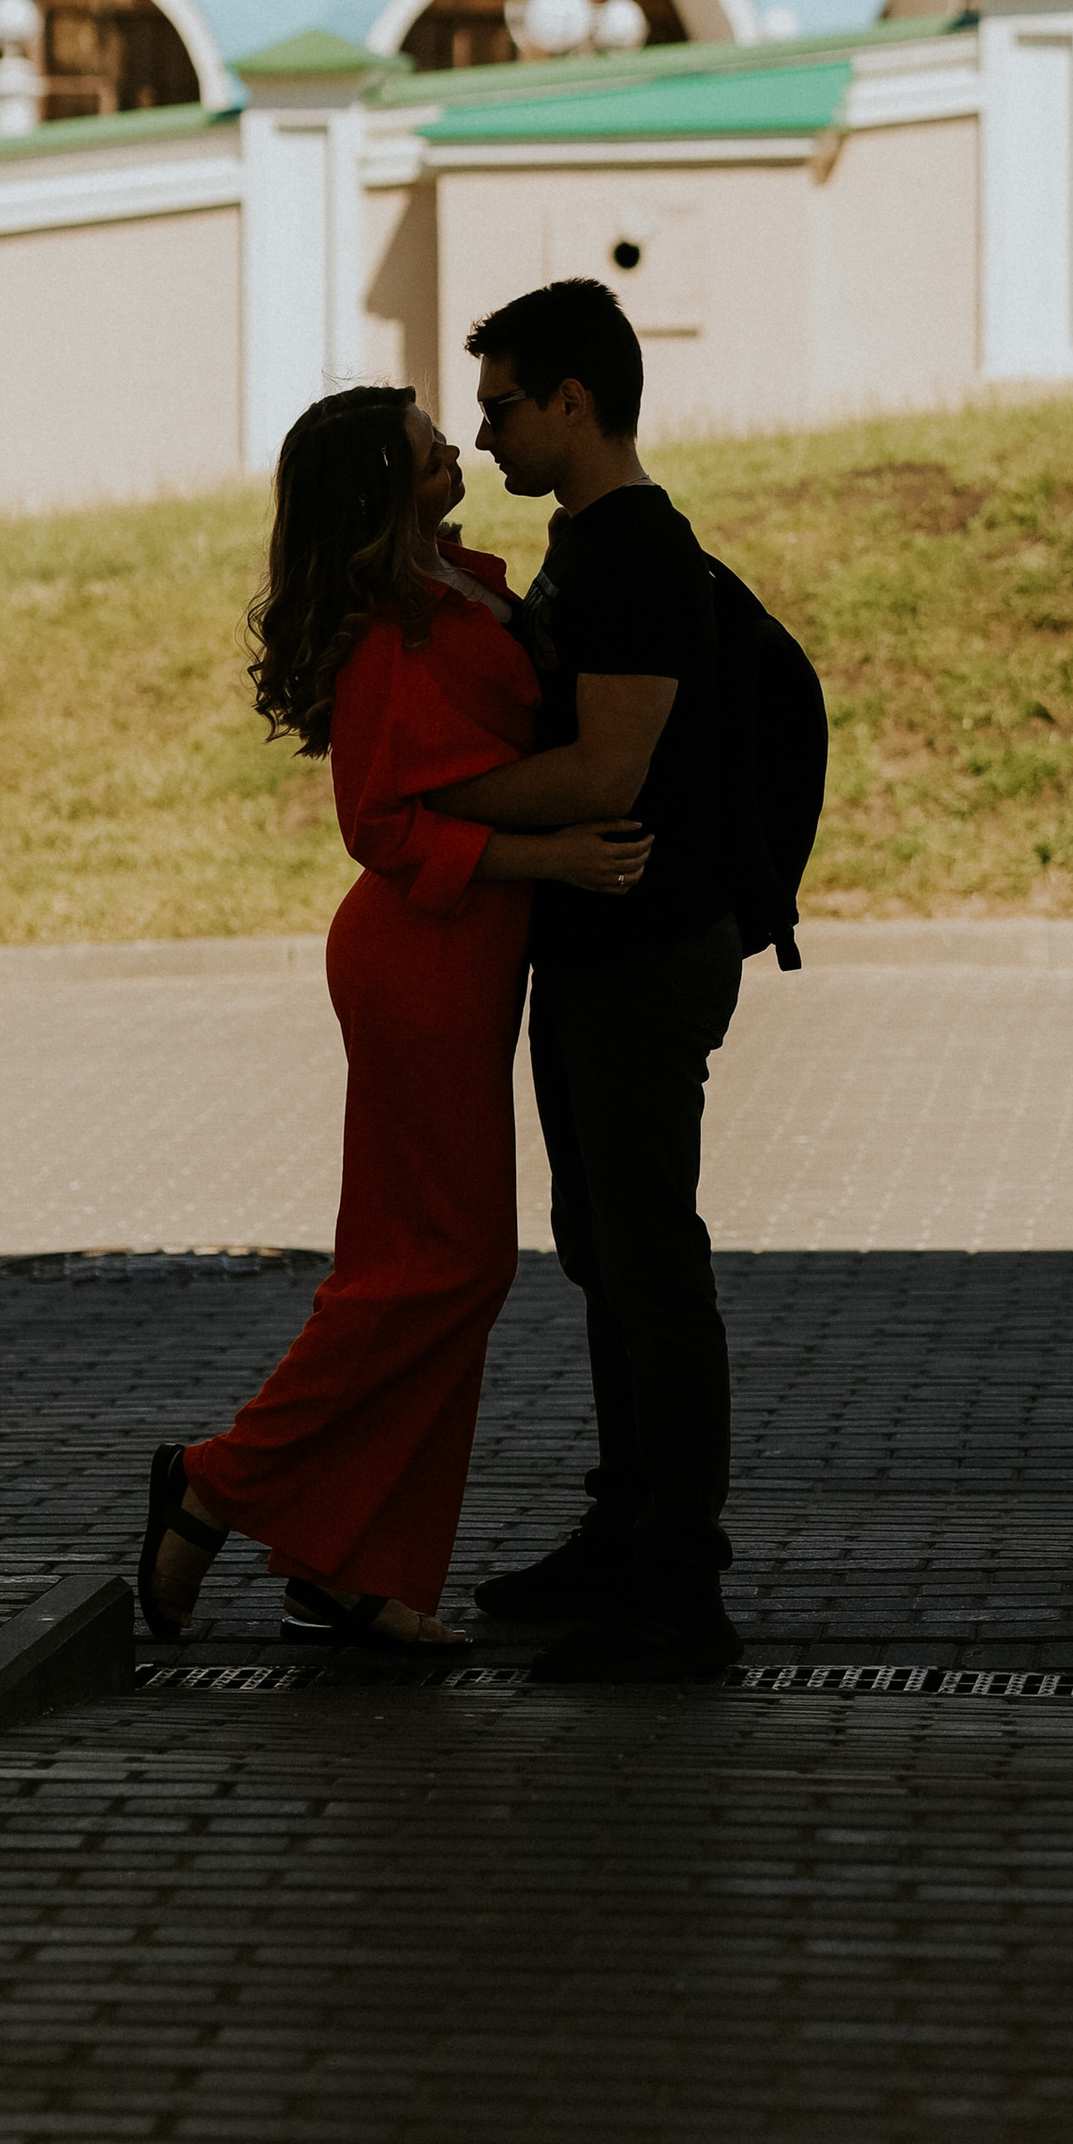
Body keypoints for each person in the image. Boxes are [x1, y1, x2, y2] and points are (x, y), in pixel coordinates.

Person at [137, 382, 650, 1657]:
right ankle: (218, 1482)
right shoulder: (390, 631)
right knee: (436, 1267)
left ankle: (352, 1567)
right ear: (382, 483)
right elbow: (383, 821)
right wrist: (556, 859)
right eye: (428, 440)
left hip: (463, 958)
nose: (454, 441)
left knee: (436, 1265)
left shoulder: (457, 584)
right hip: (422, 957)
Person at [432, 276, 746, 1684]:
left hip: (641, 947)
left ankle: (677, 1584)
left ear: (573, 401)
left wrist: (429, 804)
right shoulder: (583, 545)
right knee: (605, 1255)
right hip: (598, 948)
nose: (484, 429)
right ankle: (625, 1536)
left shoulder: (634, 556)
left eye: (502, 404)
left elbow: (608, 769)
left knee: (650, 1262)